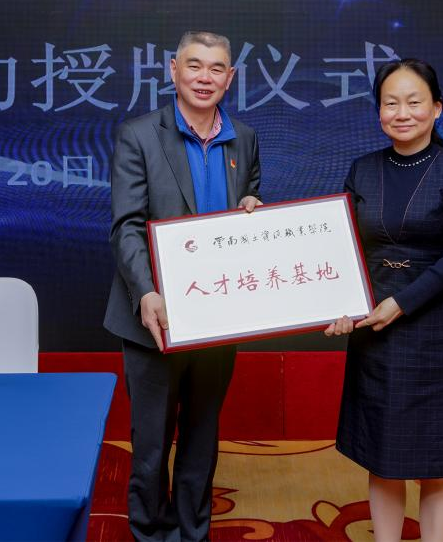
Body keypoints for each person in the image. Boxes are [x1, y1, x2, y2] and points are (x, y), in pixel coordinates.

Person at [325, 58, 443, 542]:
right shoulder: (363, 169)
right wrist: (339, 304)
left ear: (437, 108)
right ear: (378, 111)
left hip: (437, 325)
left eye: (414, 101)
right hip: (375, 327)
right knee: (384, 452)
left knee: (440, 455)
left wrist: (401, 304)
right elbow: (341, 248)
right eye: (390, 103)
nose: (402, 113)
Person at [104, 31, 262, 542]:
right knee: (151, 443)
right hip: (155, 315)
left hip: (217, 316)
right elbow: (126, 226)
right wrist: (147, 292)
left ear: (230, 78)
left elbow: (249, 207)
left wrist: (253, 212)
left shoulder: (244, 138)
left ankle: (193, 532)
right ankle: (149, 532)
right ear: (173, 70)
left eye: (216, 69)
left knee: (201, 436)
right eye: (194, 65)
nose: (204, 78)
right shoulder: (139, 135)